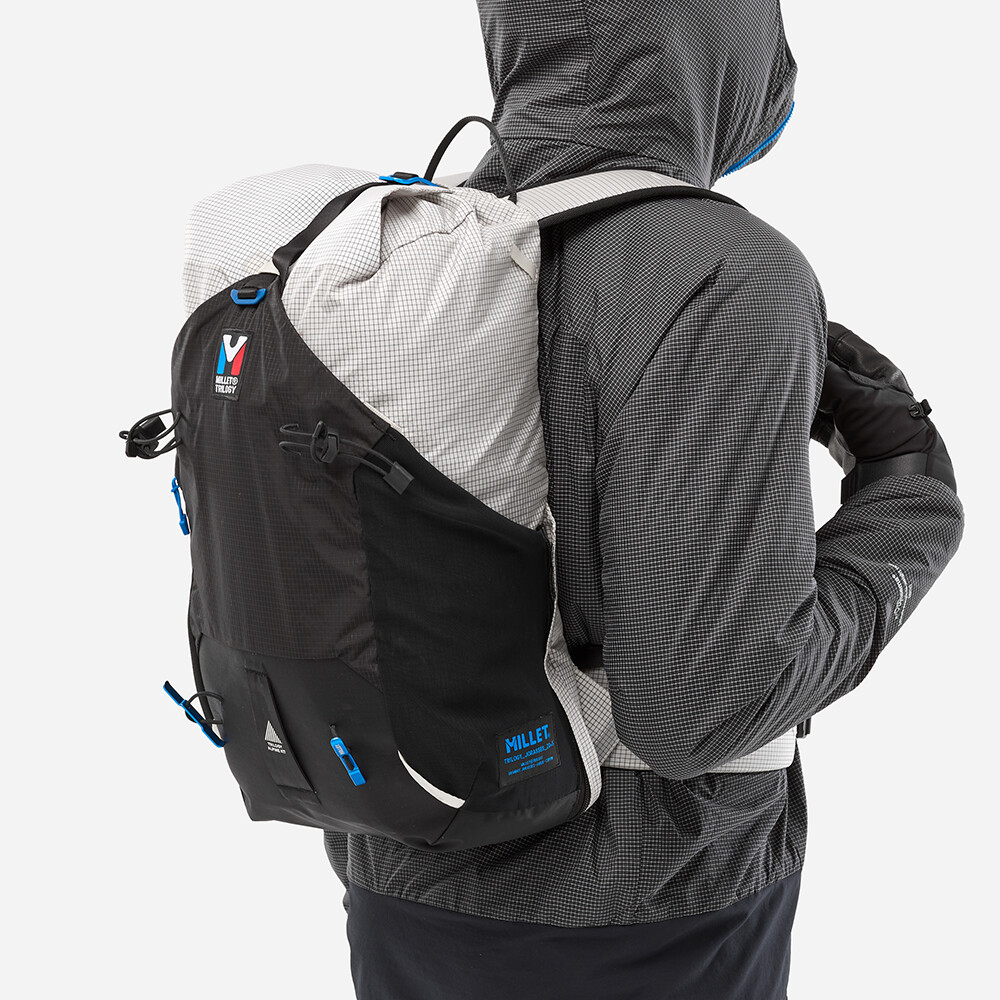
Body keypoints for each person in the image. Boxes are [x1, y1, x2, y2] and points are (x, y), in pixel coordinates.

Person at [324, 2, 965, 997]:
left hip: (400, 881)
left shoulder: (399, 251)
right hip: (651, 910)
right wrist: (911, 502)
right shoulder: (717, 267)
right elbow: (698, 713)